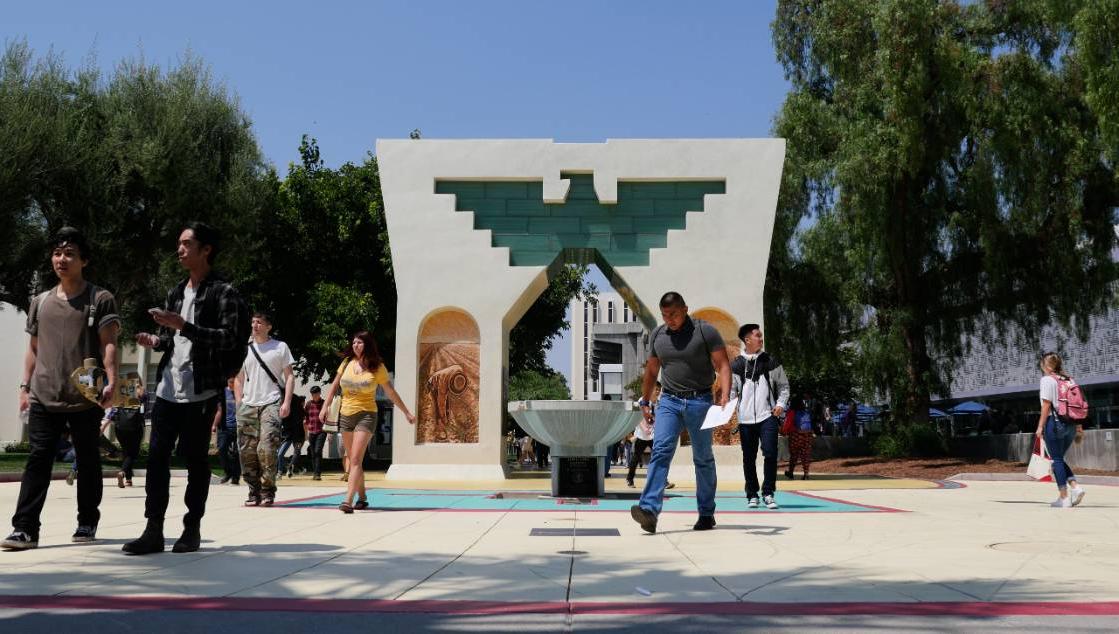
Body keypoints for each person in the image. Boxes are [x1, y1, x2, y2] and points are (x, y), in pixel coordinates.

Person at [123, 222, 248, 555]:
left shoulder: (224, 292)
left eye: (186, 244)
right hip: (167, 387)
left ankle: (191, 529)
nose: (179, 249)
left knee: (196, 461)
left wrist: (185, 326)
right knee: (157, 459)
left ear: (206, 249)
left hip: (202, 390)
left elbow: (230, 338)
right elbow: (172, 340)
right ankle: (153, 530)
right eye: (178, 244)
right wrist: (157, 340)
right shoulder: (177, 292)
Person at [3, 228, 120, 551]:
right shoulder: (39, 302)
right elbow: (34, 348)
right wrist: (25, 386)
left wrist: (111, 381)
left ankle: (87, 520)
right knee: (39, 458)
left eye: (69, 253)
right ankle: (25, 529)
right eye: (57, 253)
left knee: (87, 458)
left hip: (85, 396)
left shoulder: (100, 298)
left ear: (84, 260)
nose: (62, 259)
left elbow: (109, 344)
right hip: (44, 393)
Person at [630, 292, 730, 534]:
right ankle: (649, 511)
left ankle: (706, 513)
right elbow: (652, 371)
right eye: (665, 315)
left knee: (703, 458)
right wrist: (645, 401)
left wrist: (725, 394)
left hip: (700, 401)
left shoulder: (705, 331)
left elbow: (723, 365)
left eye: (673, 314)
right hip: (669, 401)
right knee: (661, 451)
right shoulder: (658, 335)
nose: (669, 319)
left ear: (685, 309)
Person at [320, 331, 415, 513]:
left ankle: (348, 500)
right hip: (346, 414)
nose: (356, 345)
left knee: (355, 459)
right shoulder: (346, 363)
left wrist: (406, 413)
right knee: (354, 460)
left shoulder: (377, 367)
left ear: (368, 345)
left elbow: (390, 392)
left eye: (360, 343)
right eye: (354, 343)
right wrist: (325, 407)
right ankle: (362, 498)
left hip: (367, 414)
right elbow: (334, 386)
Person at [235, 312, 295, 506]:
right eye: (252, 322)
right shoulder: (245, 349)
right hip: (248, 405)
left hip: (271, 402)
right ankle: (254, 491)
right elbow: (238, 378)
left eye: (259, 322)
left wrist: (286, 402)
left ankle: (268, 490)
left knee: (267, 447)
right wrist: (239, 402)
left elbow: (290, 376)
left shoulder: (279, 347)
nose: (254, 325)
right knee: (246, 450)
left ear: (268, 326)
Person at [731, 323, 790, 510]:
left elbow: (784, 387)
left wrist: (780, 405)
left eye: (761, 335)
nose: (761, 338)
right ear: (747, 340)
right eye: (758, 335)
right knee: (748, 457)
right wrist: (731, 410)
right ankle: (752, 494)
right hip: (746, 420)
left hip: (768, 417)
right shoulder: (737, 364)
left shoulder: (771, 361)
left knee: (771, 453)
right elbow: (732, 391)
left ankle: (768, 493)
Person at [1037, 353, 1087, 508]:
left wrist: (1040, 426)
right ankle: (1075, 487)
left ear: (1047, 365)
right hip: (1071, 424)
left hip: (1055, 422)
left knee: (1056, 460)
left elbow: (1046, 406)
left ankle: (1064, 498)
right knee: (1059, 459)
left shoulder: (1047, 380)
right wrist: (1078, 426)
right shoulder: (1069, 379)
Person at [108, 374, 145, 488]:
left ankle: (128, 480)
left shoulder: (121, 392)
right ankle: (123, 472)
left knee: (126, 452)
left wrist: (105, 424)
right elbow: (146, 409)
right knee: (132, 454)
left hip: (120, 427)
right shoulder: (141, 393)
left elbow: (113, 411)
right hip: (135, 427)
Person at [213, 378, 240, 485]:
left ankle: (236, 477)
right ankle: (228, 472)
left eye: (235, 382)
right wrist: (214, 425)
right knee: (222, 449)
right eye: (231, 382)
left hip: (239, 427)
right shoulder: (223, 393)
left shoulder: (241, 392)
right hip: (224, 427)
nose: (233, 384)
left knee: (238, 453)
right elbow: (219, 410)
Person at [785, 394, 814, 481]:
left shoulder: (792, 411)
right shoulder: (805, 411)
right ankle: (806, 474)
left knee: (794, 455)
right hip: (807, 435)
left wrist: (783, 431)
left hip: (795, 435)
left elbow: (787, 424)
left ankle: (790, 473)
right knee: (805, 455)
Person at [277, 393, 307, 478]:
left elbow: (305, 421)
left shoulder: (300, 411)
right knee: (280, 454)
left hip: (296, 435)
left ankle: (285, 470)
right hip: (287, 436)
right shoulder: (286, 410)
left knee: (296, 453)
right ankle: (296, 468)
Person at [303, 386, 328, 480]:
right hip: (311, 431)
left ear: (319, 393)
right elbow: (306, 419)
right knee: (313, 453)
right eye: (313, 394)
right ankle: (315, 473)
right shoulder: (308, 404)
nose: (314, 396)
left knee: (318, 451)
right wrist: (305, 433)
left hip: (322, 431)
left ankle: (318, 474)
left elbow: (328, 417)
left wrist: (329, 433)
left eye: (316, 394)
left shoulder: (324, 403)